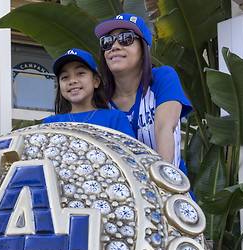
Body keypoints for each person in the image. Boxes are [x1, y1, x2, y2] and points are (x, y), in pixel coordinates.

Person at [95, 14, 192, 168]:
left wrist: (162, 185)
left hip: (167, 185)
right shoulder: (99, 97)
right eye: (107, 42)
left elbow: (165, 128)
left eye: (126, 39)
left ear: (144, 48)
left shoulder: (163, 77)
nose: (115, 46)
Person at [43, 48, 135, 138]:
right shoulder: (50, 123)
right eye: (65, 77)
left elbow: (130, 152)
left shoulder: (115, 118)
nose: (72, 81)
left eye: (80, 73)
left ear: (96, 81)